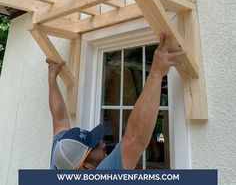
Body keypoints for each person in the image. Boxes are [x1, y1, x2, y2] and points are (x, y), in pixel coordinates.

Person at [47, 32, 186, 170]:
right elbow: (135, 138)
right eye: (95, 146)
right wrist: (156, 72)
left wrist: (52, 78)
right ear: (84, 167)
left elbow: (59, 120)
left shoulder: (60, 159)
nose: (103, 144)